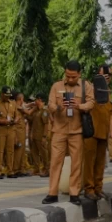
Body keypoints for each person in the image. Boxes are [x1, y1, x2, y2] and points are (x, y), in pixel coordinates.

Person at [42, 60, 95, 206]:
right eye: (68, 76)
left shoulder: (86, 86)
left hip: (77, 131)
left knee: (76, 163)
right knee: (55, 163)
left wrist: (79, 106)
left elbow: (91, 103)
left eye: (73, 77)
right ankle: (52, 193)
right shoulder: (56, 86)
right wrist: (59, 107)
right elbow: (50, 105)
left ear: (79, 74)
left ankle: (74, 193)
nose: (70, 79)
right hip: (59, 130)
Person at [83, 64, 112, 201]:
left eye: (109, 75)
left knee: (101, 162)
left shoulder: (108, 91)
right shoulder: (90, 87)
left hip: (103, 130)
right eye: (103, 75)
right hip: (91, 130)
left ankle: (98, 188)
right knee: (89, 161)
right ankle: (88, 189)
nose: (107, 77)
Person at [0, 86, 20, 179]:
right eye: (6, 95)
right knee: (0, 151)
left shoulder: (13, 103)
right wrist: (2, 121)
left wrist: (15, 120)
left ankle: (10, 171)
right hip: (1, 129)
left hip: (11, 129)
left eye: (9, 95)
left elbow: (17, 115)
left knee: (10, 151)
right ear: (2, 94)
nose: (7, 97)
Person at [29, 93, 50, 178]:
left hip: (41, 136)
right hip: (34, 135)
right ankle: (36, 168)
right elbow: (32, 121)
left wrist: (44, 137)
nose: (35, 101)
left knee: (44, 153)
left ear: (40, 100)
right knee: (34, 153)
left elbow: (46, 124)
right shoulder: (36, 110)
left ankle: (46, 169)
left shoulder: (45, 111)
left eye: (36, 100)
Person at [12, 92, 31, 177]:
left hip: (22, 132)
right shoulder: (15, 107)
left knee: (22, 152)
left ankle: (22, 169)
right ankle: (15, 170)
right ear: (21, 99)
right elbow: (28, 112)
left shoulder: (20, 107)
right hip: (17, 132)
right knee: (18, 152)